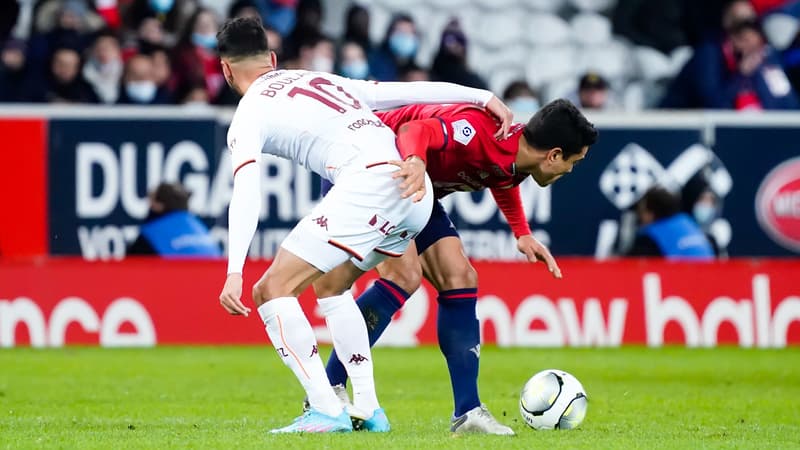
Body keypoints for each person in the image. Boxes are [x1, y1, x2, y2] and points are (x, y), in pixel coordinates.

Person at [214, 17, 513, 433]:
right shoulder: (318, 79)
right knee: (331, 286)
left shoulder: (248, 114)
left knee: (271, 290)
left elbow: (247, 189)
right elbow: (399, 92)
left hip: (369, 184)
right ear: (273, 59)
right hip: (414, 188)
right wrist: (482, 97)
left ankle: (324, 408)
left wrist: (234, 271)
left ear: (226, 70)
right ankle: (368, 409)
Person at [312, 99, 597, 435]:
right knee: (403, 276)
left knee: (459, 276)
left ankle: (467, 413)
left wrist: (521, 233)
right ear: (553, 155)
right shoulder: (479, 131)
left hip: (414, 186)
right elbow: (413, 130)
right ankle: (327, 392)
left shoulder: (515, 151)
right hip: (372, 167)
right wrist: (417, 161)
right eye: (573, 162)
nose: (569, 171)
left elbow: (501, 176)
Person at [661, 0, 800, 109]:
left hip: (758, 136)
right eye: (741, 27)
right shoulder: (708, 56)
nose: (749, 35)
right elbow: (714, 106)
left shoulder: (767, 58)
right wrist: (741, 76)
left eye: (755, 25)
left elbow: (787, 104)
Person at [127, 182, 221, 257]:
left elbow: (130, 270)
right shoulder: (199, 228)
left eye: (151, 201)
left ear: (159, 205)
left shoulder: (152, 233)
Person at [626, 186, 715, 259]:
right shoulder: (688, 223)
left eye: (642, 212)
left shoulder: (652, 237)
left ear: (651, 214)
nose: (640, 217)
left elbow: (630, 267)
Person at [430, 19, 487, 89]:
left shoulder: (473, 81)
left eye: (458, 44)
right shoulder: (429, 78)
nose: (453, 47)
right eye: (449, 42)